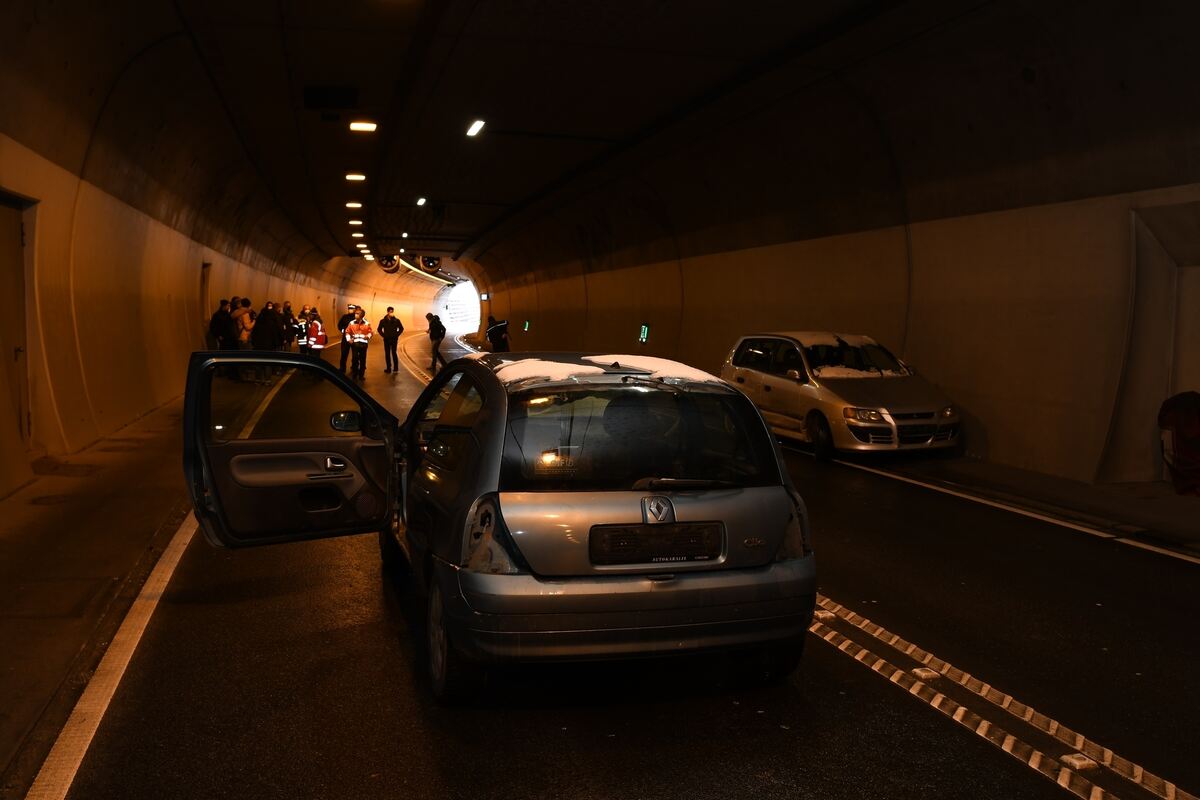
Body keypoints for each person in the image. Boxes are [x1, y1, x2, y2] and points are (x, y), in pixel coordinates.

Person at [345, 307, 373, 380]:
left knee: (363, 360)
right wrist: (349, 340)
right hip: (355, 344)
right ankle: (354, 374)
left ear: (362, 315)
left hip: (363, 345)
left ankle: (361, 375)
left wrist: (368, 336)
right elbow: (347, 332)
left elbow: (371, 332)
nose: (355, 315)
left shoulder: (367, 323)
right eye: (355, 313)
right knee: (355, 359)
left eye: (357, 314)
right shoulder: (351, 323)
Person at [377, 307, 403, 373]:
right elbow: (379, 329)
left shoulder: (397, 320)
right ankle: (388, 368)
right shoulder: (382, 321)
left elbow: (401, 328)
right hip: (386, 340)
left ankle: (396, 368)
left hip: (394, 340)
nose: (391, 313)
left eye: (392, 311)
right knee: (387, 354)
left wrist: (397, 334)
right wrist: (384, 335)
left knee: (394, 353)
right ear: (387, 312)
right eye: (390, 311)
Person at [337, 303, 357, 374]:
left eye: (351, 309)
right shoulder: (344, 317)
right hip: (345, 338)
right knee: (344, 354)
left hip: (355, 338)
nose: (350, 310)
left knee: (355, 355)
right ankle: (342, 368)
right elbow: (339, 325)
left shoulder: (356, 317)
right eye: (349, 309)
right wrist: (343, 330)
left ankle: (354, 368)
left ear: (354, 310)